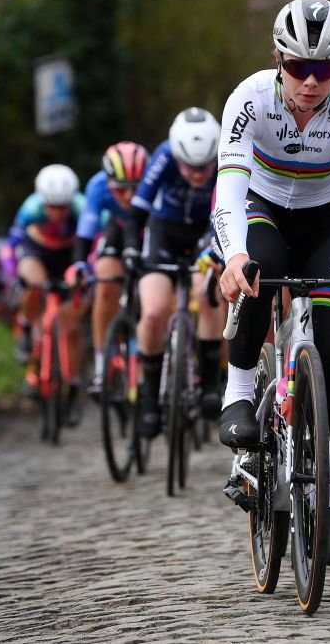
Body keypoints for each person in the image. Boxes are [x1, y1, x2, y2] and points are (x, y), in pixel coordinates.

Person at [213, 0, 330, 566]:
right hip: (263, 211)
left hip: (325, 223)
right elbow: (230, 189)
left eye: (327, 68)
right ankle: (239, 394)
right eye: (299, 67)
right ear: (278, 59)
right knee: (257, 274)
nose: (313, 81)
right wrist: (234, 253)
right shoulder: (248, 100)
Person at [128, 108, 224, 438]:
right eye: (189, 167)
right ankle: (149, 398)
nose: (197, 175)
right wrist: (130, 249)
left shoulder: (227, 152)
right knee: (154, 310)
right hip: (164, 231)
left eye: (203, 168)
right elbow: (137, 211)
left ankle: (211, 382)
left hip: (205, 231)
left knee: (208, 291)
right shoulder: (165, 154)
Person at [0, 164, 87, 400]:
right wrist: (13, 275)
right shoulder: (31, 208)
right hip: (38, 251)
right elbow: (9, 248)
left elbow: (95, 243)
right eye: (52, 206)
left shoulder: (82, 208)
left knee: (72, 325)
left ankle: (75, 381)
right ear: (42, 200)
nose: (57, 212)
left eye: (63, 207)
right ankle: (26, 328)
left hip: (69, 255)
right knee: (33, 282)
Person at [73, 141, 150, 398]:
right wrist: (79, 264)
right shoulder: (97, 187)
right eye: (120, 189)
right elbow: (86, 231)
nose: (128, 197)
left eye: (135, 188)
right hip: (117, 233)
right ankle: (100, 366)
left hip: (152, 232)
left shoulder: (156, 182)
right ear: (108, 182)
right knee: (104, 283)